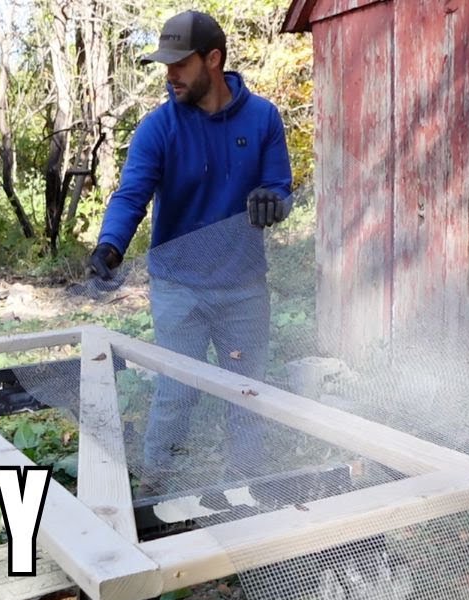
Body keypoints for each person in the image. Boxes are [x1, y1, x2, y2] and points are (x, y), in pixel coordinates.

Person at [87, 10, 292, 478]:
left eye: (180, 63)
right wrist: (110, 245)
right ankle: (156, 490)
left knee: (248, 394)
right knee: (177, 391)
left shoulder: (262, 119)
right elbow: (132, 193)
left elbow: (280, 188)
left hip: (243, 288)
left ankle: (247, 491)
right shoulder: (159, 128)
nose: (170, 73)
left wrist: (271, 201)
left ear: (213, 59)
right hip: (178, 288)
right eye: (166, 64)